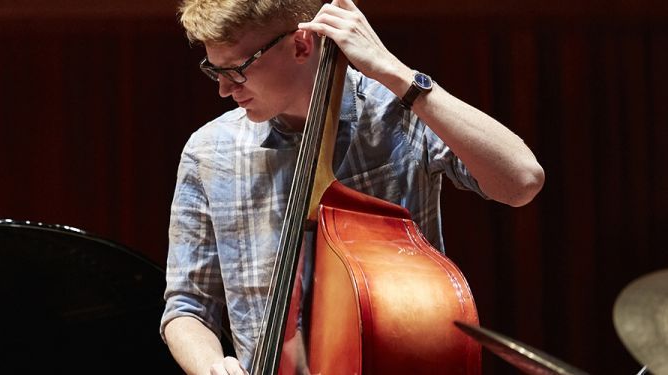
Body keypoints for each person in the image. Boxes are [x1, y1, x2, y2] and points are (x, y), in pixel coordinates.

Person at [161, 0, 545, 374]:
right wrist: (211, 365)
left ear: (300, 44)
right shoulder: (208, 153)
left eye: (238, 70)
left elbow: (521, 182)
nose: (224, 90)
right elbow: (186, 308)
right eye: (216, 71)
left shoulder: (398, 115)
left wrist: (398, 75)